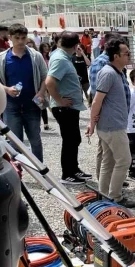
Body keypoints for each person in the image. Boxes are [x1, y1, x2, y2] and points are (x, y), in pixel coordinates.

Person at [85, 38, 135, 208]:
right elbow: (96, 101)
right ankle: (115, 197)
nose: (129, 55)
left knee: (109, 162)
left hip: (112, 125)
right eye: (126, 53)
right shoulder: (108, 73)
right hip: (112, 127)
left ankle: (104, 196)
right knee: (124, 161)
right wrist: (91, 124)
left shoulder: (117, 72)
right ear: (116, 56)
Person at [0, 23, 48, 162]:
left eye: (23, 38)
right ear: (10, 38)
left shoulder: (36, 56)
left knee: (35, 140)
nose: (21, 41)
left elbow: (44, 77)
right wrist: (7, 89)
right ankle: (18, 173)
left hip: (32, 105)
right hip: (11, 106)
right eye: (17, 38)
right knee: (15, 142)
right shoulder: (2, 58)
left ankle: (40, 171)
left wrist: (41, 93)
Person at [46, 31, 90, 185]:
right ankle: (67, 174)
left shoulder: (61, 55)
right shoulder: (61, 59)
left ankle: (74, 169)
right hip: (64, 108)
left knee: (74, 139)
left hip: (70, 107)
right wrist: (59, 100)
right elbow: (50, 82)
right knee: (70, 140)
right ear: (76, 45)